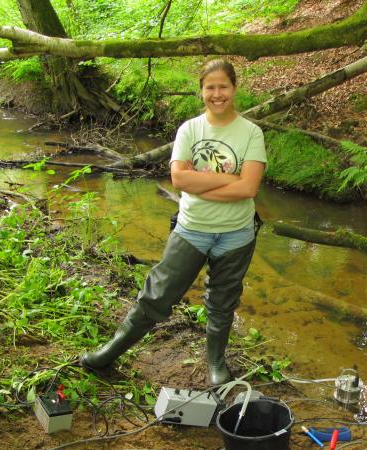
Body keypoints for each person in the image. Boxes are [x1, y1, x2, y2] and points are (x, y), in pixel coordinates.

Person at [81, 59, 267, 386]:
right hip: (192, 228)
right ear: (202, 91)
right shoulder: (190, 129)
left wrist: (204, 182)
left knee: (223, 302)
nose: (217, 93)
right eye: (210, 87)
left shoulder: (251, 133)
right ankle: (109, 353)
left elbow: (249, 188)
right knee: (158, 294)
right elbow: (179, 180)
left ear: (234, 88)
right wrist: (229, 181)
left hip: (236, 235)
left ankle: (215, 364)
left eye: (223, 86)